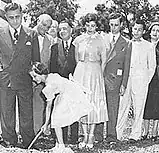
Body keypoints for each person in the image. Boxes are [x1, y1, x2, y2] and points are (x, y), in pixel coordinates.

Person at [0, 2, 40, 148]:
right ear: (6, 17)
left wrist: (34, 74)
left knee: (26, 112)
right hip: (6, 79)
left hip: (24, 79)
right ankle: (9, 140)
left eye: (18, 16)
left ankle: (28, 141)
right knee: (6, 112)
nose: (15, 20)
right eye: (11, 17)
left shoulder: (32, 34)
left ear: (22, 15)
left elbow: (36, 59)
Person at [29, 62, 92, 152]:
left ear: (42, 73)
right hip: (65, 92)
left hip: (70, 93)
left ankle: (61, 146)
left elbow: (48, 107)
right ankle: (58, 144)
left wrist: (46, 124)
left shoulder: (49, 86)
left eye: (35, 76)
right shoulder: (51, 77)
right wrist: (47, 123)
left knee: (56, 119)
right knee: (56, 119)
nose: (34, 79)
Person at [116, 19, 156, 142]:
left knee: (139, 108)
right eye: (134, 29)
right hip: (126, 80)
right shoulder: (127, 43)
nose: (136, 31)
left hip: (141, 81)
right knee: (123, 107)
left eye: (139, 29)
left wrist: (145, 81)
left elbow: (152, 67)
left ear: (143, 31)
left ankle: (135, 134)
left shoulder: (149, 46)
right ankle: (117, 134)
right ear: (131, 29)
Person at [95, 13, 132, 143]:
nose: (113, 27)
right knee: (99, 107)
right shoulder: (102, 38)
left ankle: (111, 135)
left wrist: (124, 84)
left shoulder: (127, 43)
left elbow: (127, 65)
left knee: (112, 108)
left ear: (121, 25)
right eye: (111, 24)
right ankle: (97, 135)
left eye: (116, 25)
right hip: (100, 78)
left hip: (115, 80)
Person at [72, 13, 108, 149]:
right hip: (81, 71)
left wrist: (99, 75)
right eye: (87, 25)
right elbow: (76, 58)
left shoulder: (101, 40)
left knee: (93, 102)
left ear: (96, 26)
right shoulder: (79, 39)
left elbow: (104, 61)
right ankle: (84, 134)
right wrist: (80, 72)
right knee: (82, 101)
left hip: (95, 72)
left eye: (93, 25)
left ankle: (91, 135)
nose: (90, 28)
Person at [50, 20, 78, 145]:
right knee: (61, 111)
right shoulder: (55, 47)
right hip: (60, 85)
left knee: (73, 110)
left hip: (74, 83)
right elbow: (52, 68)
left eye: (65, 29)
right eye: (60, 29)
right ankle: (62, 138)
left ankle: (74, 138)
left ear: (71, 30)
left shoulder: (77, 45)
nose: (62, 31)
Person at [32, 14, 54, 134]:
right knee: (24, 106)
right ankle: (23, 133)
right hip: (27, 77)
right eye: (44, 25)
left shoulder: (50, 40)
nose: (46, 29)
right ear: (37, 21)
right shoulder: (27, 34)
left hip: (41, 79)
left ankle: (35, 136)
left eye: (48, 27)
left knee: (39, 106)